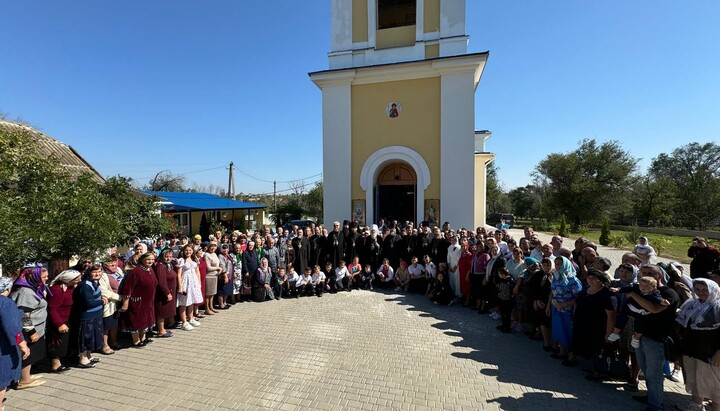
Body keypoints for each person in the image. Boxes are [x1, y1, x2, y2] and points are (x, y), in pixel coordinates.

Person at [627, 264, 680, 411]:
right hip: (641, 336)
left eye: (649, 273)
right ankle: (652, 397)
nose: (645, 276)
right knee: (645, 369)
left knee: (654, 374)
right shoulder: (641, 290)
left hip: (656, 339)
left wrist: (633, 295)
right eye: (643, 273)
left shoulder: (669, 293)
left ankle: (656, 405)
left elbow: (654, 309)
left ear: (659, 276)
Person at [676, 278, 720, 411]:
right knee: (695, 378)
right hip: (692, 348)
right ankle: (696, 406)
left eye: (705, 290)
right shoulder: (692, 304)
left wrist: (719, 353)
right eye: (698, 289)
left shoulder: (717, 307)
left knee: (713, 384)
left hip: (710, 352)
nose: (701, 293)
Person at [566, 269, 616, 371]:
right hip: (580, 323)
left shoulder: (607, 294)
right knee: (577, 340)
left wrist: (608, 332)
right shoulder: (586, 289)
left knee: (596, 346)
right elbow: (577, 301)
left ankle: (597, 370)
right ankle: (572, 358)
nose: (591, 280)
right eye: (589, 277)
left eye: (594, 278)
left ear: (601, 280)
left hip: (596, 326)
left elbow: (611, 316)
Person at [10, 266, 50, 389]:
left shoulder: (33, 288)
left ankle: (27, 376)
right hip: (28, 330)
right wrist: (32, 331)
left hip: (36, 327)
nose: (47, 279)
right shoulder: (26, 292)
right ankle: (24, 380)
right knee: (27, 354)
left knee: (32, 353)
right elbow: (23, 315)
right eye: (44, 277)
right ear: (34, 277)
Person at [607, 276, 668, 349]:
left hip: (641, 312)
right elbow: (626, 289)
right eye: (641, 285)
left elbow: (658, 298)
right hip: (629, 308)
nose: (643, 287)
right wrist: (617, 289)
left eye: (647, 286)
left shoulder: (655, 293)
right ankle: (615, 333)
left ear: (653, 287)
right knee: (621, 319)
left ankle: (636, 338)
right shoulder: (635, 287)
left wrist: (662, 301)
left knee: (640, 325)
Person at [1, 276, 31, 402]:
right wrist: (23, 345)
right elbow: (12, 328)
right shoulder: (6, 303)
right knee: (2, 379)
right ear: (8, 288)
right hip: (3, 348)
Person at [45, 269, 81, 372]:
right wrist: (59, 324)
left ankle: (62, 361)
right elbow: (52, 308)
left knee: (64, 342)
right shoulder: (56, 289)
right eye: (76, 279)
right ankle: (55, 364)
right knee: (56, 342)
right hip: (58, 320)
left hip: (67, 318)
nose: (79, 280)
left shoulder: (69, 287)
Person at [119, 253, 158, 347]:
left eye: (152, 259)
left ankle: (143, 338)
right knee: (137, 320)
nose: (151, 261)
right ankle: (136, 341)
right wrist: (125, 303)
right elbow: (128, 288)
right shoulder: (135, 271)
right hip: (137, 300)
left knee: (145, 319)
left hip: (148, 300)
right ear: (142, 260)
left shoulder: (150, 269)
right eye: (148, 259)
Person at [549, 256, 582, 360]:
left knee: (568, 331)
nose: (558, 266)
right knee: (559, 330)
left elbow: (579, 297)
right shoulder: (556, 276)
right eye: (556, 264)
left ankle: (571, 355)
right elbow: (553, 292)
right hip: (557, 308)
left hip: (569, 310)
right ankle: (562, 352)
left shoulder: (573, 279)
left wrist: (565, 304)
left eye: (560, 264)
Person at [74, 264, 106, 368]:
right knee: (86, 337)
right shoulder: (85, 285)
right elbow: (88, 302)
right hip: (87, 315)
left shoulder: (95, 283)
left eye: (100, 271)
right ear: (89, 273)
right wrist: (102, 301)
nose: (98, 274)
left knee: (93, 336)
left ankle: (88, 355)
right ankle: (82, 359)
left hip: (96, 314)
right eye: (94, 272)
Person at [176, 245, 204, 331]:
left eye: (190, 250)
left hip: (193, 282)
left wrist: (199, 282)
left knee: (191, 301)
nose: (188, 252)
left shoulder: (195, 259)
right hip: (185, 282)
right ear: (183, 251)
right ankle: (184, 322)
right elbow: (179, 274)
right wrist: (180, 286)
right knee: (184, 303)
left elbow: (197, 271)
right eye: (186, 250)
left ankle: (191, 318)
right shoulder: (181, 260)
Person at [100, 257, 123, 353]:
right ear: (105, 265)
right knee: (107, 325)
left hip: (118, 302)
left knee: (114, 323)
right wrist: (119, 297)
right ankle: (104, 345)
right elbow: (104, 291)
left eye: (115, 263)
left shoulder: (118, 271)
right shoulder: (102, 275)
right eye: (110, 264)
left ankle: (113, 342)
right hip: (109, 302)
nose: (114, 265)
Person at [154, 249, 176, 338]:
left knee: (166, 311)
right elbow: (161, 282)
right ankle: (161, 331)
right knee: (161, 312)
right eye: (166, 257)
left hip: (170, 291)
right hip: (163, 294)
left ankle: (165, 327)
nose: (168, 258)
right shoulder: (161, 267)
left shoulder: (168, 265)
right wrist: (167, 293)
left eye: (170, 257)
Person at [494, 268, 516, 333]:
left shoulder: (510, 281)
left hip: (508, 300)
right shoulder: (502, 280)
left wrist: (510, 296)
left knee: (507, 314)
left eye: (499, 274)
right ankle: (503, 325)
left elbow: (513, 291)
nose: (499, 275)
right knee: (502, 313)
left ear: (503, 274)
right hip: (502, 299)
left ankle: (507, 327)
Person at [203, 242, 221, 315]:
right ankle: (207, 309)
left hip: (215, 275)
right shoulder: (206, 255)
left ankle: (211, 307)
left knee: (212, 293)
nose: (213, 248)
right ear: (208, 247)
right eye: (211, 246)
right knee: (208, 294)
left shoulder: (214, 254)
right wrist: (218, 268)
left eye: (214, 246)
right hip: (209, 276)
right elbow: (208, 267)